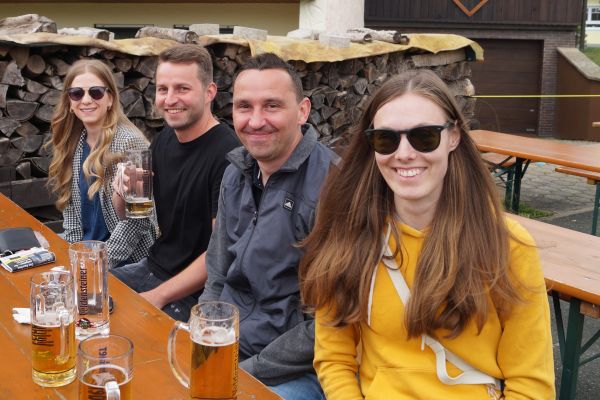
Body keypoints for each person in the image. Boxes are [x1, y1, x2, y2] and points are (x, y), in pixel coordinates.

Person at [299, 69, 555, 399]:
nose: (404, 153)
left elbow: (532, 385)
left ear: (454, 136)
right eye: (386, 139)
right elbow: (335, 358)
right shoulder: (351, 235)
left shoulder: (506, 246)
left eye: (424, 137)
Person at [200, 53, 338, 400]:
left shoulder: (334, 188)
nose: (256, 121)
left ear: (302, 111)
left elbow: (331, 323)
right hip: (230, 343)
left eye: (272, 106)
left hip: (298, 369)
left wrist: (245, 370)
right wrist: (207, 332)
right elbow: (217, 271)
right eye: (244, 107)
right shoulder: (235, 173)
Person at [111, 44, 239, 321]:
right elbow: (131, 215)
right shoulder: (164, 139)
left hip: (193, 293)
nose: (170, 99)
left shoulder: (228, 155)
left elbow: (221, 254)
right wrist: (120, 191)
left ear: (210, 92)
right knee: (82, 296)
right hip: (152, 267)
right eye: (163, 89)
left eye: (182, 88)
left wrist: (158, 296)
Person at [48, 59, 154, 268]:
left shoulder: (132, 144)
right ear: (70, 102)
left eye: (96, 92)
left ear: (110, 99)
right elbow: (72, 214)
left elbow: (138, 220)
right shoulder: (73, 143)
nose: (86, 100)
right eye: (77, 93)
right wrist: (72, 256)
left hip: (127, 262)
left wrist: (99, 264)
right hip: (85, 256)